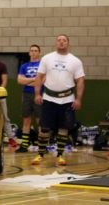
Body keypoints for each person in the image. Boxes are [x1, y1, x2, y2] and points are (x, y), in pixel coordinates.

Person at [32, 34, 85, 166]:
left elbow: (80, 81)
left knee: (63, 128)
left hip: (67, 99)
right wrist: (37, 94)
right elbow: (39, 77)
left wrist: (78, 99)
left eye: (64, 40)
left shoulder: (75, 61)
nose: (61, 42)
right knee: (44, 128)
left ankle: (60, 155)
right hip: (48, 98)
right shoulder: (47, 58)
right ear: (56, 43)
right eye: (59, 40)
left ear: (68, 43)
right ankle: (40, 154)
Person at [16, 44, 42, 153]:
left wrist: (27, 80)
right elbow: (19, 80)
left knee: (40, 121)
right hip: (26, 95)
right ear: (29, 53)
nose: (34, 52)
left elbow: (42, 80)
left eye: (36, 50)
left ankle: (42, 146)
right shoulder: (24, 66)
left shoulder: (42, 65)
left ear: (39, 52)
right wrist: (33, 79)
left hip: (39, 94)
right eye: (32, 50)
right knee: (26, 120)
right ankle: (25, 145)